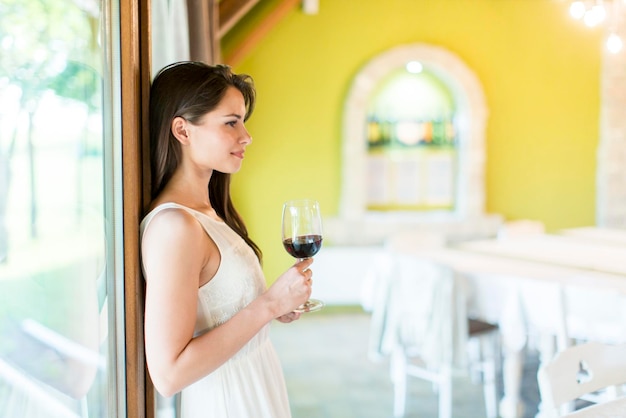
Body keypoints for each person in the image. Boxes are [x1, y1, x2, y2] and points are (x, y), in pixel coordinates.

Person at [140, 61, 313, 417]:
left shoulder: (208, 211)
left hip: (256, 386)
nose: (246, 135)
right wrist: (267, 306)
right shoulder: (175, 227)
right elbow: (169, 374)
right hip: (227, 402)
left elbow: (217, 313)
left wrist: (273, 307)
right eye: (231, 122)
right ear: (182, 131)